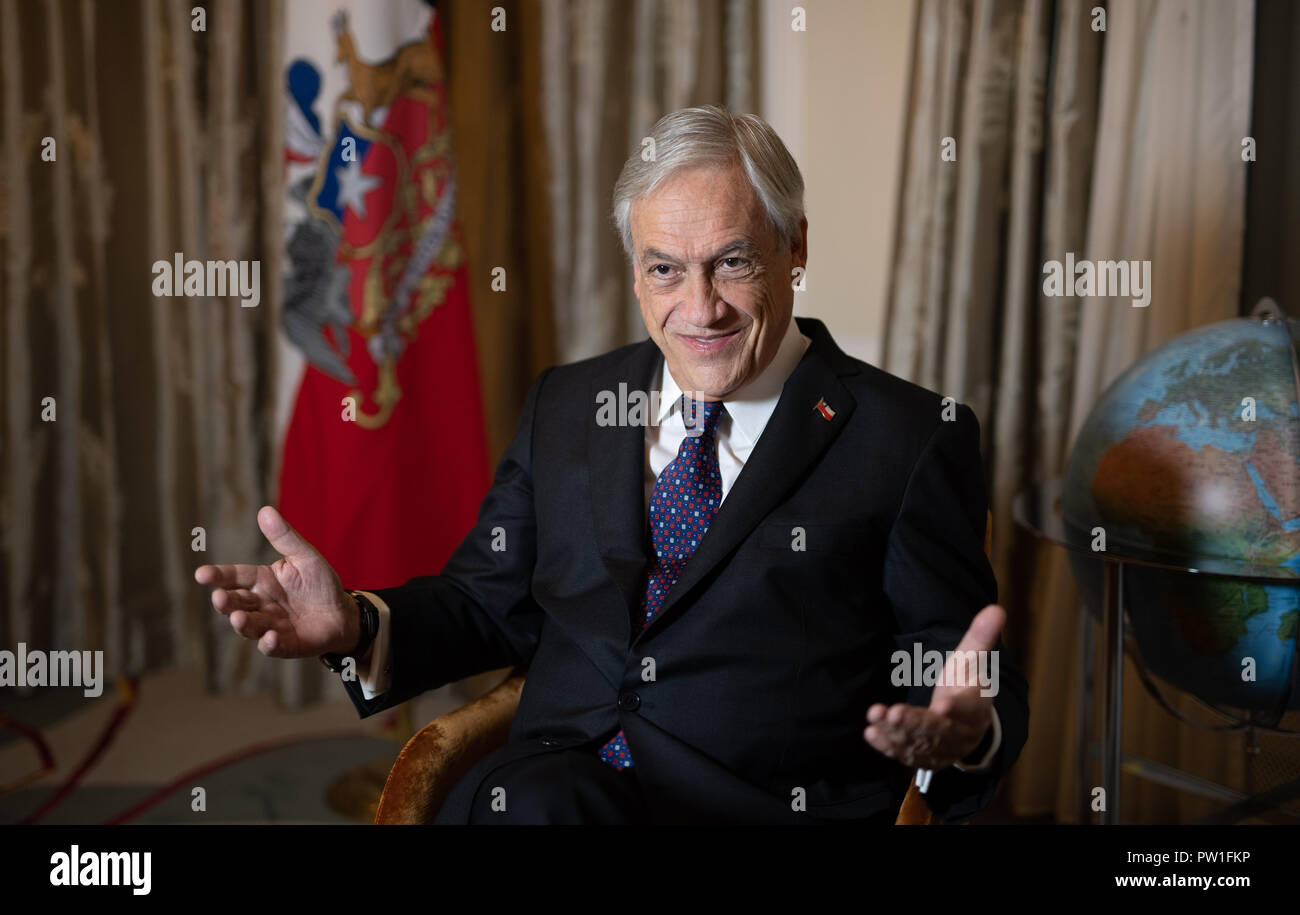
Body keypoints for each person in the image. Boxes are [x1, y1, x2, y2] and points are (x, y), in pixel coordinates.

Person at [196, 105, 1028, 824]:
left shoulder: (907, 436)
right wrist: (354, 622)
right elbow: (488, 602)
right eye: (666, 268)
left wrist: (963, 732)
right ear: (636, 272)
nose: (699, 308)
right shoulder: (569, 404)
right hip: (556, 791)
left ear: (794, 246)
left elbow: (957, 671)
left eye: (733, 261)